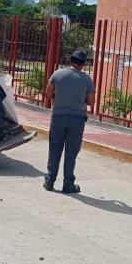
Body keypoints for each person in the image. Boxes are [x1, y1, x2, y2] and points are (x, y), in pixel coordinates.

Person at [43, 49, 95, 194]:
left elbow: (48, 94)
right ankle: (68, 184)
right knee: (71, 152)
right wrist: (80, 98)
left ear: (70, 61)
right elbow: (91, 102)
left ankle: (49, 181)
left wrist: (60, 96)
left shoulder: (57, 74)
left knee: (55, 148)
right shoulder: (87, 80)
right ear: (83, 64)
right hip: (77, 120)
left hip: (58, 117)